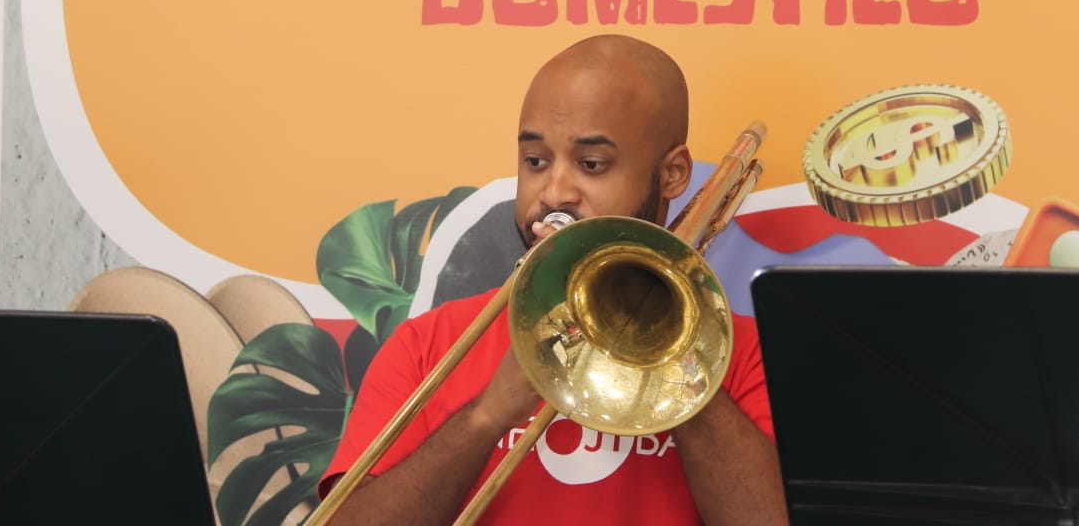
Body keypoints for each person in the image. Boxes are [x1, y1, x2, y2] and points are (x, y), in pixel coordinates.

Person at [318, 35, 788, 525]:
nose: (554, 192)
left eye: (591, 165)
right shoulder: (427, 344)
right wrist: (485, 417)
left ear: (672, 174)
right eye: (535, 162)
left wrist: (671, 354)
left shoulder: (746, 354)